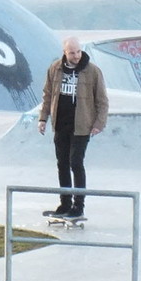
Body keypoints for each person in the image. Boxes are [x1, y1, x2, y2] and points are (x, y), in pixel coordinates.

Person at [36, 36, 109, 220]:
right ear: (64, 53)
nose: (76, 56)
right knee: (62, 164)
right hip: (61, 123)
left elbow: (102, 100)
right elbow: (47, 95)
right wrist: (43, 118)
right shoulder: (55, 69)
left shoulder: (92, 71)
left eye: (78, 52)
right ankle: (65, 203)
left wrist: (99, 123)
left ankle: (79, 205)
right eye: (72, 53)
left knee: (76, 162)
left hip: (82, 125)